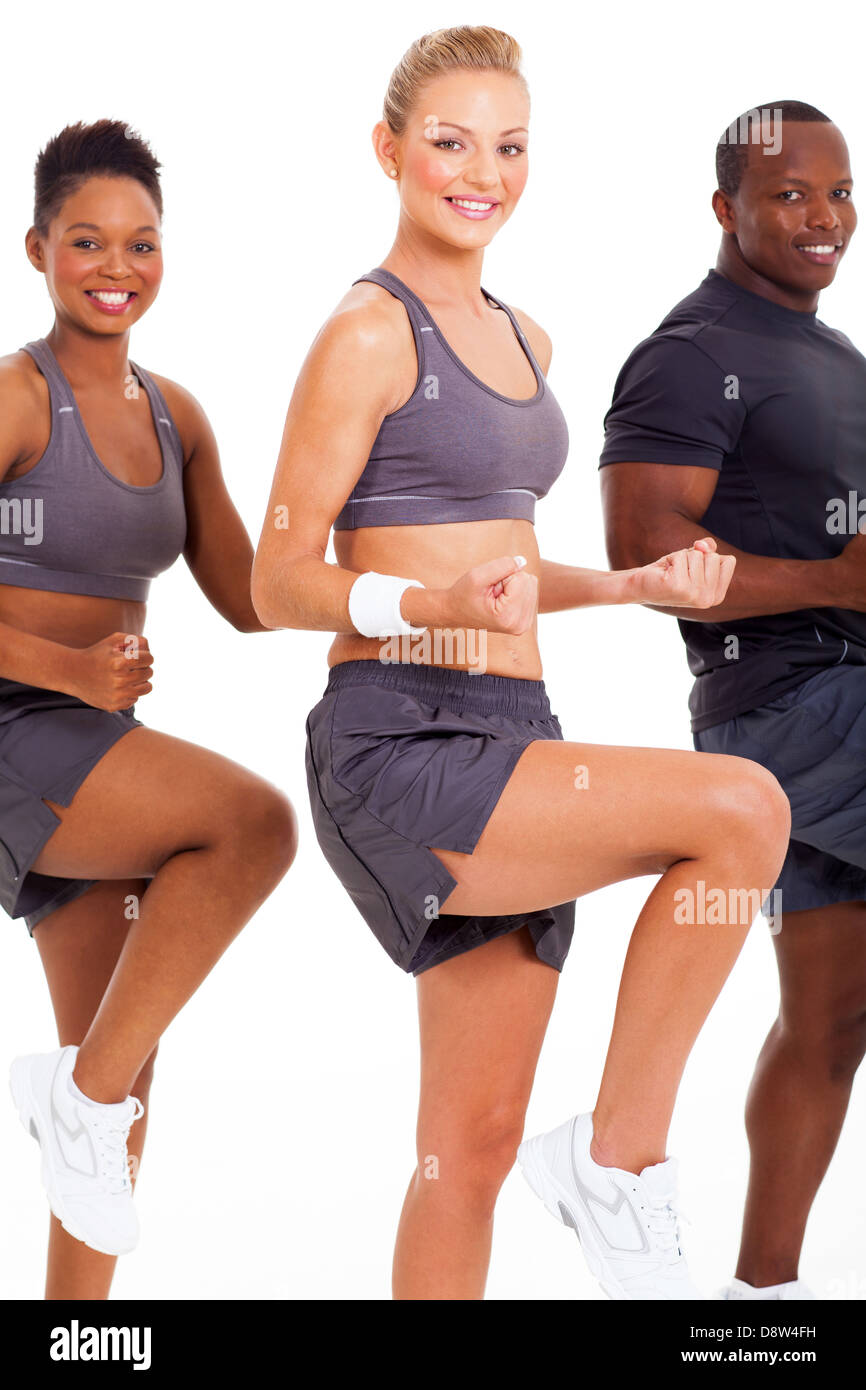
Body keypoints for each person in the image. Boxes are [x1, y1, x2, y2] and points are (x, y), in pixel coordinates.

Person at [251, 27, 791, 1301]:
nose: (478, 171)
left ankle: (580, 1166)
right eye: (447, 141)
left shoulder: (523, 338)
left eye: (506, 145)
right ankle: (619, 1160)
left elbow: (504, 568)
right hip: (397, 739)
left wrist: (630, 585)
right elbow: (276, 578)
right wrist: (414, 600)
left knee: (468, 1149)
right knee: (741, 809)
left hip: (514, 729)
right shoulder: (364, 335)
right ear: (388, 152)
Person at [1, 120, 297, 1300]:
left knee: (120, 1080)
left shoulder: (177, 415)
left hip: (93, 758)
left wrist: (393, 575)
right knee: (252, 824)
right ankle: (74, 1103)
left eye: (140, 242)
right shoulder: (18, 402)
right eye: (86, 241)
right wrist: (68, 674)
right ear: (38, 248)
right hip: (23, 730)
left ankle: (70, 1337)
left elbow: (252, 598)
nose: (114, 265)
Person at [599, 100, 866, 1301]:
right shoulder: (688, 350)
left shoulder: (828, 353)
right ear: (725, 210)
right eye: (788, 196)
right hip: (786, 704)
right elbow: (645, 549)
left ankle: (759, 1306)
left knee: (828, 1017)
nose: (821, 219)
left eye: (837, 192)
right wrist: (829, 580)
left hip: (835, 696)